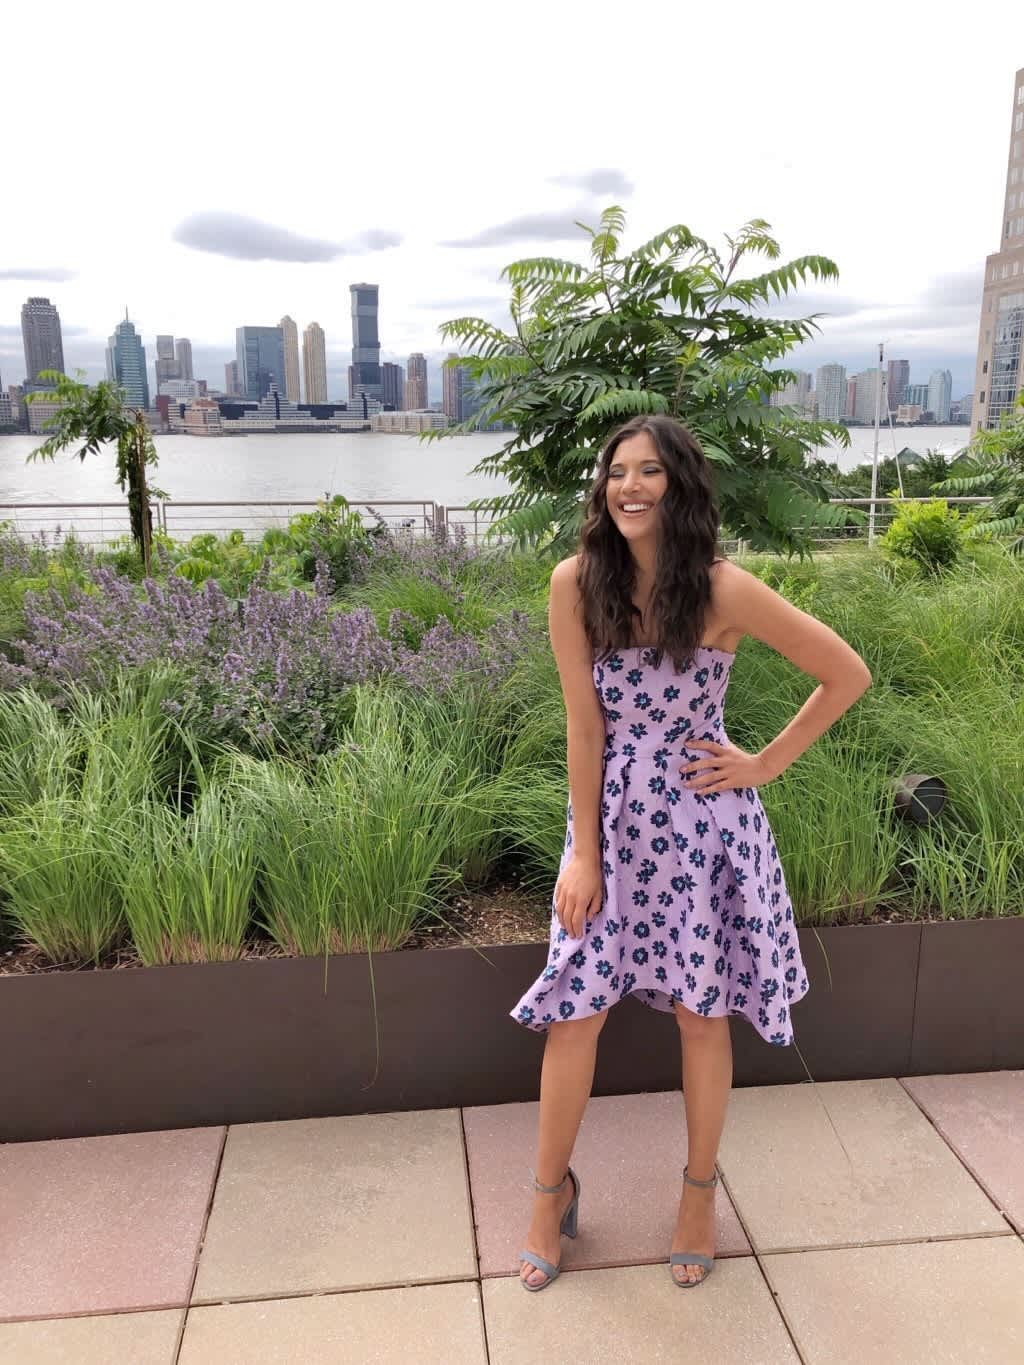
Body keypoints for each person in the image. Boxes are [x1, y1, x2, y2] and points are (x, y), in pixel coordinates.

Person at [512, 414, 872, 1291]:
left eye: (648, 471)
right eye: (616, 472)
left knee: (701, 1014)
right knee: (574, 1009)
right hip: (610, 826)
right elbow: (584, 726)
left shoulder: (723, 589)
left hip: (703, 827)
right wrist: (583, 854)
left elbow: (846, 673)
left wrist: (762, 763)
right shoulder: (574, 583)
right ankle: (548, 1195)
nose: (628, 486)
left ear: (680, 485)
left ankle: (698, 1196)